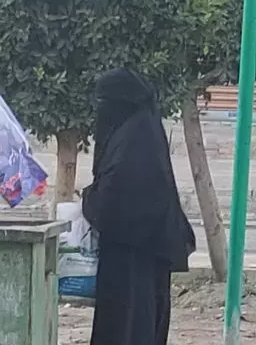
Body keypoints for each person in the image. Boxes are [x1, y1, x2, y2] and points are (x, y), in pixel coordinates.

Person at [82, 68, 196, 345]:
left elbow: (115, 203)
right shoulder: (141, 134)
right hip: (142, 254)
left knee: (127, 328)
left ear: (119, 104)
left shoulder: (132, 144)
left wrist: (88, 198)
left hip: (131, 260)